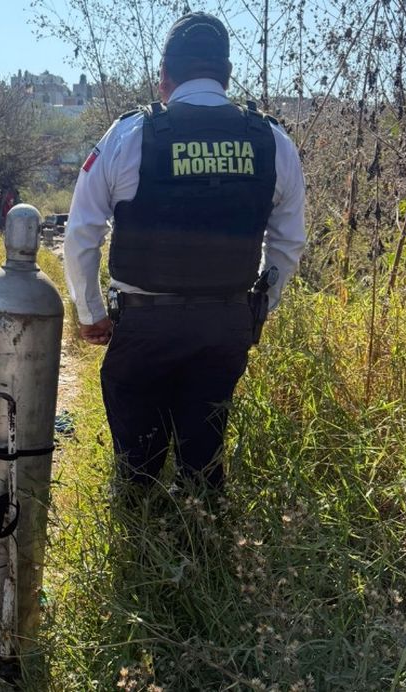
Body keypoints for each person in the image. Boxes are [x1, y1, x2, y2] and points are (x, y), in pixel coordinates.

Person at [63, 13, 306, 493]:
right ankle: (204, 544)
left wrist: (90, 312)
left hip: (144, 326)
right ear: (226, 73)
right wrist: (258, 308)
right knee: (203, 460)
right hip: (226, 324)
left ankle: (139, 540)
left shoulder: (130, 134)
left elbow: (81, 231)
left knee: (137, 468)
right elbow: (288, 242)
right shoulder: (271, 140)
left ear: (164, 78)